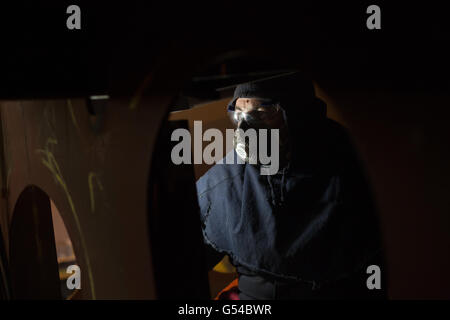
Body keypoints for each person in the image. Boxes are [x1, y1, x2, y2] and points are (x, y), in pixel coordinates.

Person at [196, 72, 387, 299]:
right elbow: (180, 260)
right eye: (239, 115)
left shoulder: (356, 168)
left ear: (299, 116)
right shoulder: (228, 179)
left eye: (262, 113)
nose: (246, 129)